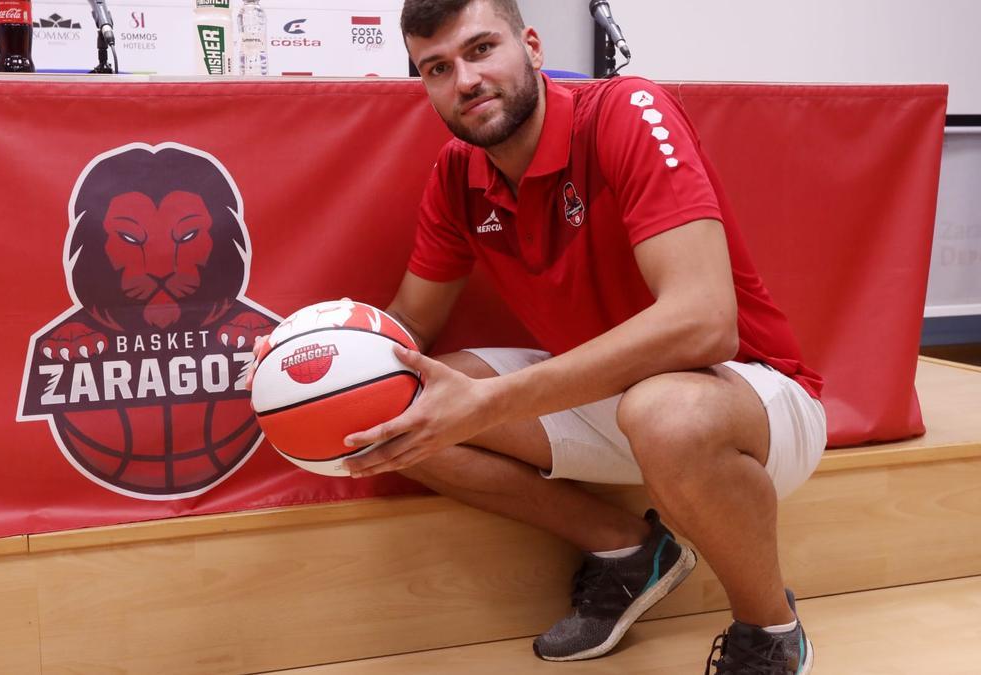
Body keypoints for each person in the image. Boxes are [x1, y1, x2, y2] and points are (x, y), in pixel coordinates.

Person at [253, 0, 825, 671]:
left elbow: (704, 323)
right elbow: (406, 328)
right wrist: (306, 356)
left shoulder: (625, 111)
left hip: (748, 400)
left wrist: (492, 402)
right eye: (437, 67)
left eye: (480, 49)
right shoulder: (455, 173)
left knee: (664, 410)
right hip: (613, 397)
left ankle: (769, 630)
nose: (464, 79)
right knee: (394, 402)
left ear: (529, 44)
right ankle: (631, 551)